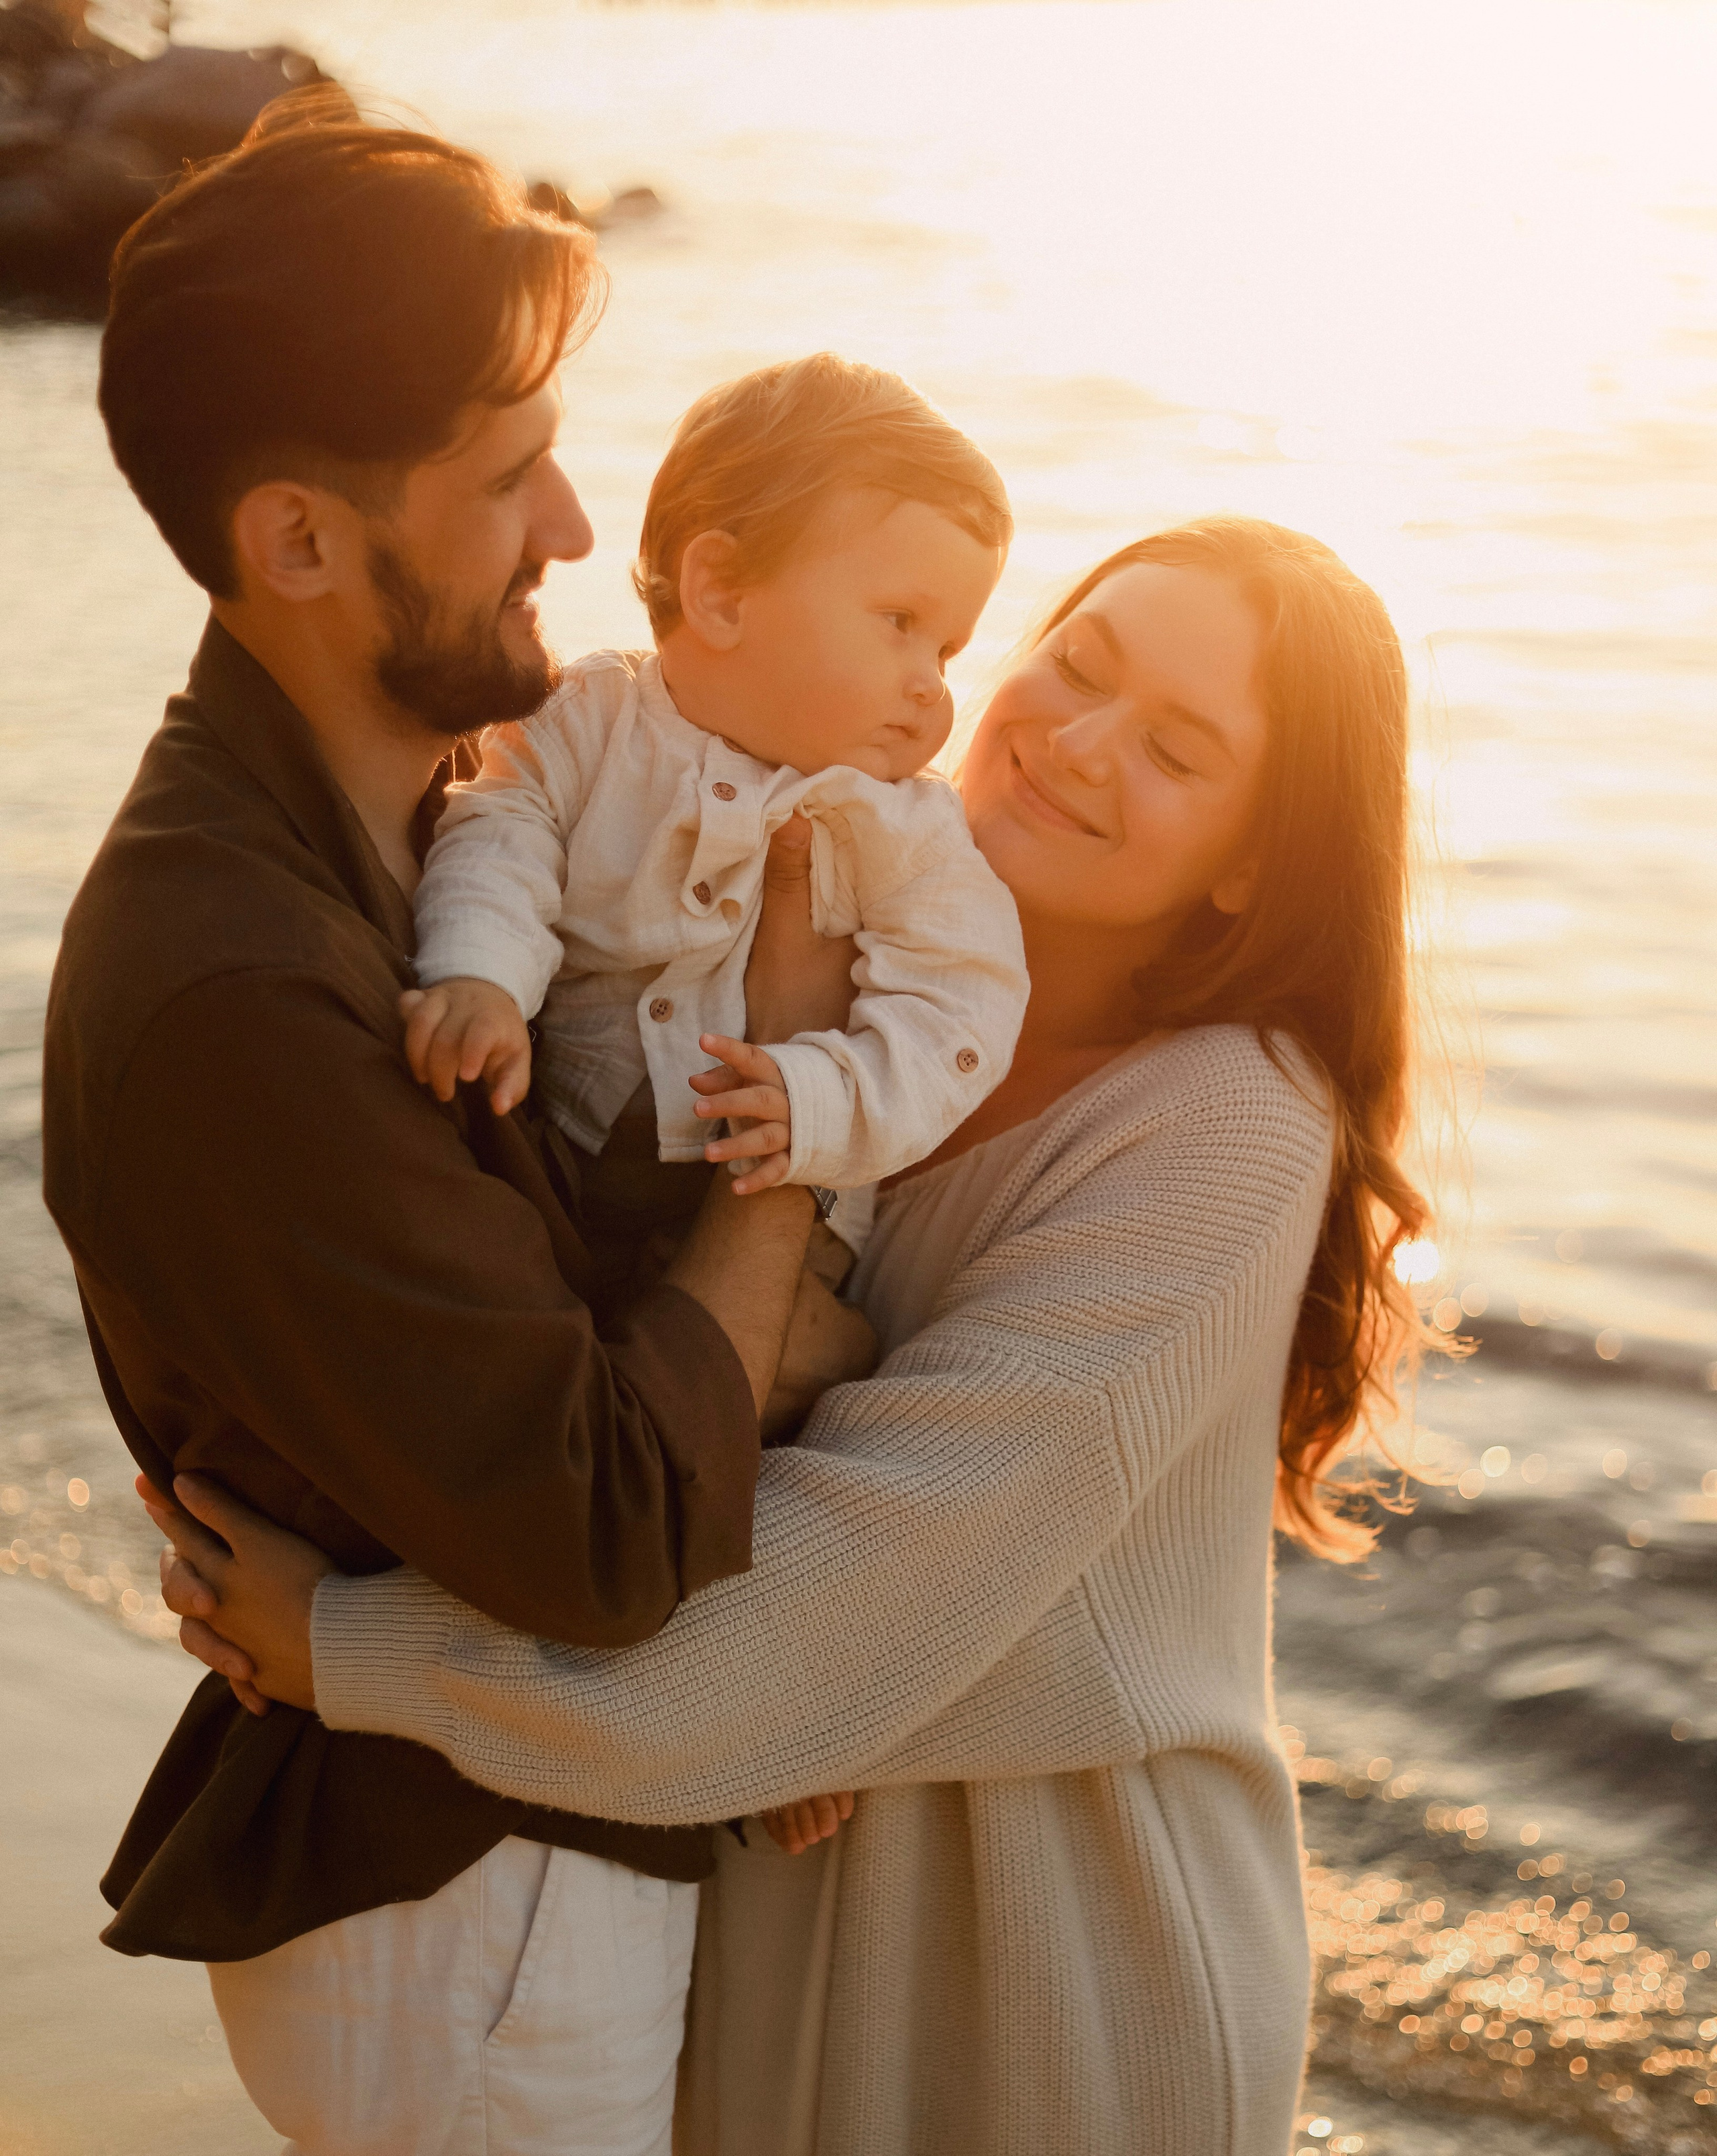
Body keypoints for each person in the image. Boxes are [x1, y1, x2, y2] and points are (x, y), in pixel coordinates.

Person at [152, 514, 1444, 2155]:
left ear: (1256, 857)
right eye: (1080, 665)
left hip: (1043, 1981)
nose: (1079, 738)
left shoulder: (1223, 1128)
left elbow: (835, 1599)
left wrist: (352, 1646)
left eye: (1177, 749)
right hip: (750, 1883)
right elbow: (609, 1347)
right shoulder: (852, 976)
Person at [43, 102, 867, 2156]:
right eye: (509, 479)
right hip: (470, 1920)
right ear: (300, 542)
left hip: (511, 1852)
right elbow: (601, 1523)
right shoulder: (237, 981)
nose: (580, 530)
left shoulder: (446, 808)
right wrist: (782, 1103)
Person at [406, 353, 1028, 1278]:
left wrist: (821, 1100)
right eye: (900, 621)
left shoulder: (902, 821)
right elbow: (501, 832)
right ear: (722, 592)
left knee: (794, 1338)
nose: (930, 686)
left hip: (773, 1192)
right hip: (566, 1152)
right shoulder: (589, 721)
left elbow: (963, 1005)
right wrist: (482, 976)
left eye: (948, 648)